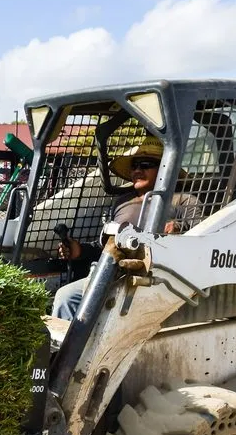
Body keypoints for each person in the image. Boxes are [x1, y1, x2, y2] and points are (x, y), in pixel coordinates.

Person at [51, 136, 200, 320]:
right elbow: (106, 246)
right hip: (114, 274)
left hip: (157, 281)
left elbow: (202, 243)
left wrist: (179, 230)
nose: (137, 170)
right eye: (134, 166)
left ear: (165, 168)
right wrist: (79, 250)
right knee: (66, 297)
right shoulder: (122, 203)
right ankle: (67, 349)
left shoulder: (184, 201)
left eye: (145, 164)